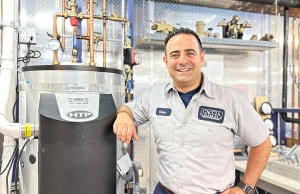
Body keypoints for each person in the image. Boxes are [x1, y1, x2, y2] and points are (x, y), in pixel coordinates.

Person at [113, 28, 272, 194]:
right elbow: (127, 109)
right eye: (175, 55)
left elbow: (262, 142)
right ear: (166, 61)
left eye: (190, 53)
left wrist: (245, 188)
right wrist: (124, 115)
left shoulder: (231, 100)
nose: (182, 61)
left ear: (201, 58)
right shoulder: (153, 96)